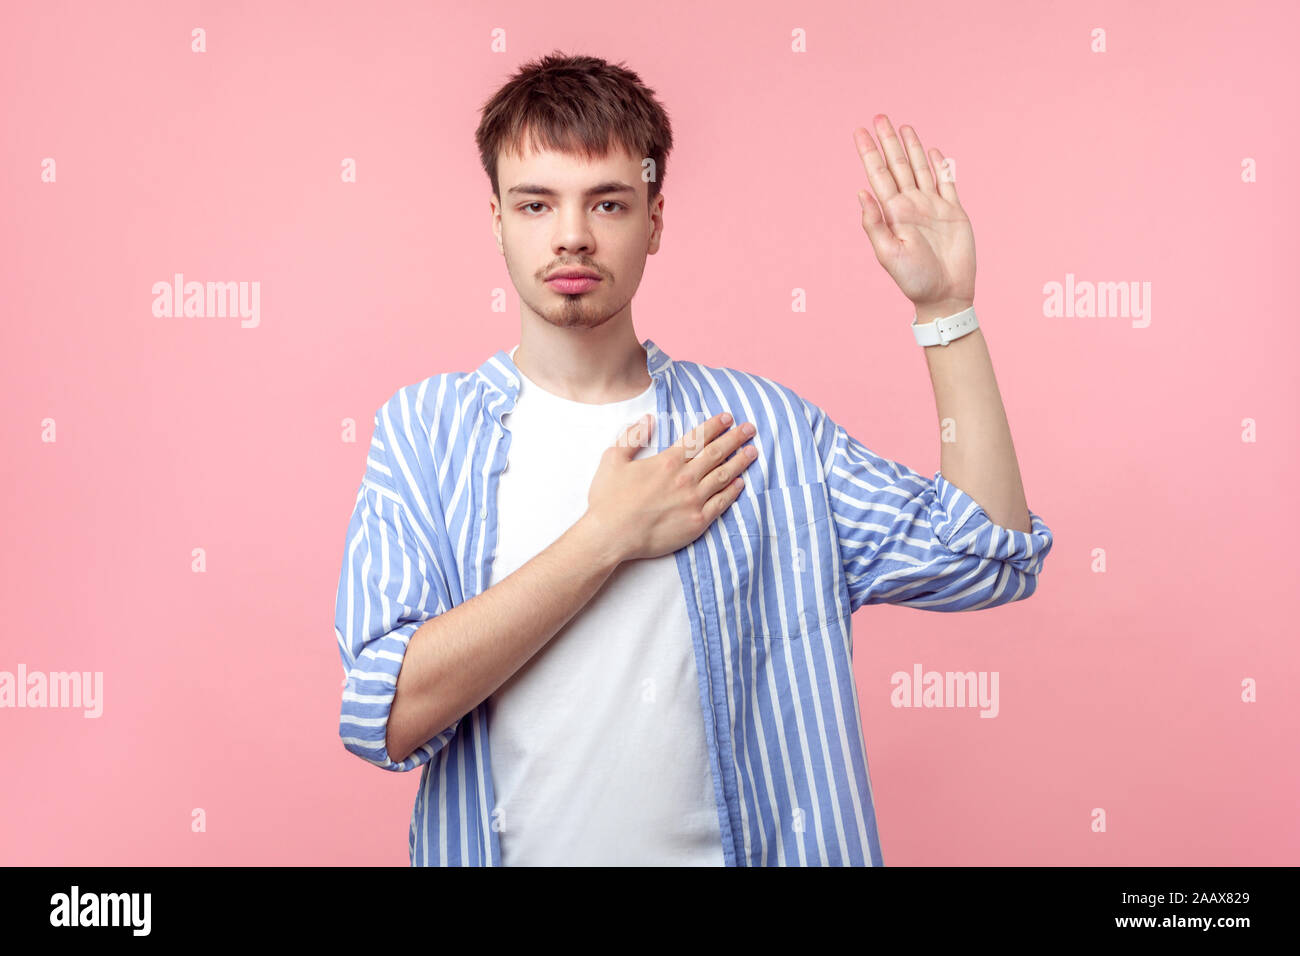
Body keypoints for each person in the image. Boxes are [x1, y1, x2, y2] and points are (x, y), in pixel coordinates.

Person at [333, 51, 1053, 866]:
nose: (572, 235)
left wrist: (945, 309)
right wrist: (606, 535)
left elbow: (989, 555)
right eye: (537, 204)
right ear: (497, 219)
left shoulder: (766, 435)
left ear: (655, 217)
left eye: (608, 202)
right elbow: (384, 712)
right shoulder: (426, 432)